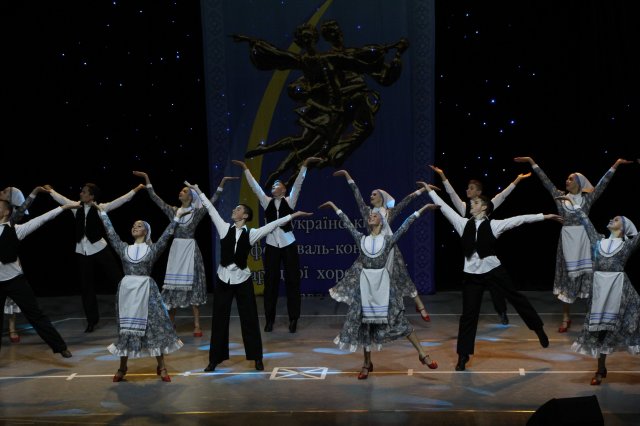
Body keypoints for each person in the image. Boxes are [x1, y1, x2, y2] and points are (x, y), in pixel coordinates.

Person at [424, 183, 561, 371]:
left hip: (493, 271)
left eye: (475, 203)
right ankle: (463, 356)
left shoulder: (494, 225)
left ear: (484, 207)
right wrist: (429, 190)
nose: (471, 204)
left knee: (516, 298)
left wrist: (544, 216)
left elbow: (519, 220)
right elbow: (444, 208)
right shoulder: (462, 223)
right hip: (471, 275)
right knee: (468, 316)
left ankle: (538, 328)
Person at [186, 182, 312, 372]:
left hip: (243, 280)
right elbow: (211, 209)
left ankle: (257, 358)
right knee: (219, 320)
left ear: (245, 216)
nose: (234, 210)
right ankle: (215, 359)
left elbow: (272, 225)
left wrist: (292, 216)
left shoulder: (252, 234)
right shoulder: (224, 228)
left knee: (250, 319)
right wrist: (198, 190)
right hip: (223, 279)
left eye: (238, 209)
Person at [319, 200, 439, 379]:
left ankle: (423, 354)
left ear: (382, 222)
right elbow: (347, 223)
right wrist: (334, 206)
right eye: (370, 215)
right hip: (365, 287)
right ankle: (367, 363)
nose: (371, 216)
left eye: (375, 215)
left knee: (399, 319)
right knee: (365, 326)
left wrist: (424, 208)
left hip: (384, 286)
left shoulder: (388, 240)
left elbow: (406, 225)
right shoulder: (362, 239)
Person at [514, 157, 631, 332]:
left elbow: (602, 184)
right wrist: (532, 162)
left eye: (571, 179)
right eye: (567, 179)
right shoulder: (560, 197)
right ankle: (565, 317)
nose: (567, 181)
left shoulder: (587, 198)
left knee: (590, 280)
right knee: (568, 279)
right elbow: (545, 181)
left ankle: (592, 318)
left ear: (579, 183)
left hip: (585, 241)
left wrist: (616, 164)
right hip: (568, 242)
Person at [133, 171, 238, 337]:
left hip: (190, 251)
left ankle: (197, 324)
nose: (181, 192)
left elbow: (211, 201)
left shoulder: (196, 213)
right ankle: (171, 322)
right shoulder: (173, 211)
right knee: (173, 286)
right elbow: (155, 198)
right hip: (176, 251)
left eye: (185, 191)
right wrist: (147, 179)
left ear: (191, 197)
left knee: (192, 285)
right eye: (181, 190)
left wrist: (222, 183)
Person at [94, 202, 187, 382]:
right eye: (134, 226)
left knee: (153, 327)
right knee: (126, 329)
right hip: (127, 292)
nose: (135, 227)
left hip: (146, 291)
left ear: (146, 231)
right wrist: (103, 214)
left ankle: (162, 366)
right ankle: (122, 367)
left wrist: (176, 218)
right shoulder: (124, 248)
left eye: (139, 226)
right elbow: (111, 234)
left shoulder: (152, 249)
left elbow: (166, 236)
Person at [429, 165, 532, 325]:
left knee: (495, 286)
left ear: (479, 192)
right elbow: (451, 194)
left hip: (485, 252)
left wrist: (517, 180)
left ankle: (502, 311)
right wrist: (442, 175)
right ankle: (470, 314)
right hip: (469, 253)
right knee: (471, 288)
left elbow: (503, 195)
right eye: (468, 188)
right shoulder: (464, 207)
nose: (468, 190)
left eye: (471, 188)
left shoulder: (487, 205)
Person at [558, 195, 640, 385]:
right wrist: (574, 204)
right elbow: (585, 222)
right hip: (600, 289)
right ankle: (601, 368)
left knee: (618, 327)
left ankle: (600, 370)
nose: (612, 219)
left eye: (617, 219)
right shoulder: (598, 240)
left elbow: (638, 235)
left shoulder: (627, 245)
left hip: (618, 290)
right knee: (600, 331)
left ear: (623, 228)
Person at [234, 157, 321, 334]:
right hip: (272, 246)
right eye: (273, 185)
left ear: (284, 189)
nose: (274, 186)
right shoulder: (266, 201)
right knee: (270, 283)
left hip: (289, 244)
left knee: (293, 282)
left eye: (277, 184)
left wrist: (304, 165)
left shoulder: (290, 200)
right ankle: (269, 319)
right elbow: (255, 187)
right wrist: (245, 169)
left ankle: (293, 319)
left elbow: (298, 184)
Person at [333, 170, 432, 322]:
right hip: (370, 250)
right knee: (357, 275)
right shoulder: (367, 212)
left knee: (401, 277)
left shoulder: (388, 212)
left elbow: (406, 201)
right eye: (371, 194)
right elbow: (357, 195)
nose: (371, 196)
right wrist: (347, 176)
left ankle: (419, 305)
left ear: (382, 197)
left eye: (374, 194)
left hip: (389, 248)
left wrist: (423, 190)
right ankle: (362, 311)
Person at [46, 182, 145, 332]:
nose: (81, 193)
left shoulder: (100, 208)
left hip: (99, 248)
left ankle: (132, 310)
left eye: (84, 192)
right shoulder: (76, 207)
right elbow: (62, 199)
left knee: (118, 280)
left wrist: (136, 190)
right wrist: (51, 191)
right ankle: (92, 321)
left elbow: (120, 200)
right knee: (86, 287)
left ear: (91, 196)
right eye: (82, 191)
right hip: (82, 251)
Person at [0, 197, 78, 357]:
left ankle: (60, 346)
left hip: (15, 281)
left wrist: (62, 208)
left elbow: (41, 219)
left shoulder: (17, 229)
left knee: (36, 315)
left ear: (6, 212)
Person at [0, 186, 45, 343]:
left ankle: (12, 327)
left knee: (11, 295)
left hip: (8, 261)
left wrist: (35, 192)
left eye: (5, 192)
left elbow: (24, 208)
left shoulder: (10, 218)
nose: (1, 192)